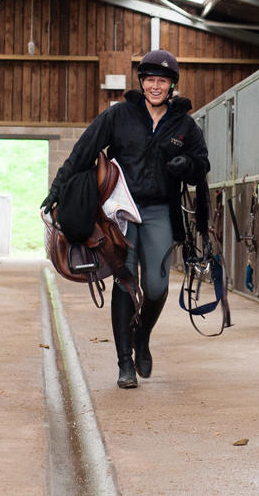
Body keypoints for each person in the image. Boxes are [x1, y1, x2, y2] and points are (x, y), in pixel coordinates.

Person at [42, 49, 210, 389]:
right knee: (123, 278)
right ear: (142, 82)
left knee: (157, 285)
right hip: (119, 209)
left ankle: (141, 334)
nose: (155, 86)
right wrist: (57, 190)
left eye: (162, 80)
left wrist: (186, 166)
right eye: (150, 80)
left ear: (171, 85)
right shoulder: (118, 116)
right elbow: (83, 151)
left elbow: (202, 165)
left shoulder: (184, 125)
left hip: (159, 209)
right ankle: (124, 364)